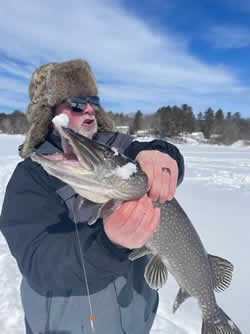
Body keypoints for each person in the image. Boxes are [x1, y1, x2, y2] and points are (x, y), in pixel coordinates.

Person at [0, 59, 184, 334]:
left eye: (92, 101)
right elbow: (40, 263)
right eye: (75, 103)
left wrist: (163, 154)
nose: (88, 109)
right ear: (50, 113)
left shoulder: (120, 150)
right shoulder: (30, 177)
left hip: (134, 323)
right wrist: (108, 243)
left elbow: (155, 155)